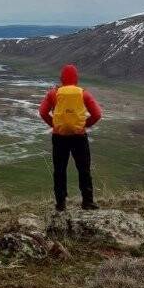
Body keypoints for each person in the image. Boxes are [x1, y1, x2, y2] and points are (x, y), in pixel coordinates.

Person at [38, 64, 103, 211]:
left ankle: (61, 203)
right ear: (76, 78)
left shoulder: (53, 93)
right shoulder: (83, 93)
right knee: (84, 169)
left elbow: (42, 112)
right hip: (79, 137)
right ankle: (87, 201)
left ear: (62, 78)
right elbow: (97, 114)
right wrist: (84, 126)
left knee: (59, 170)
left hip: (59, 137)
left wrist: (54, 125)